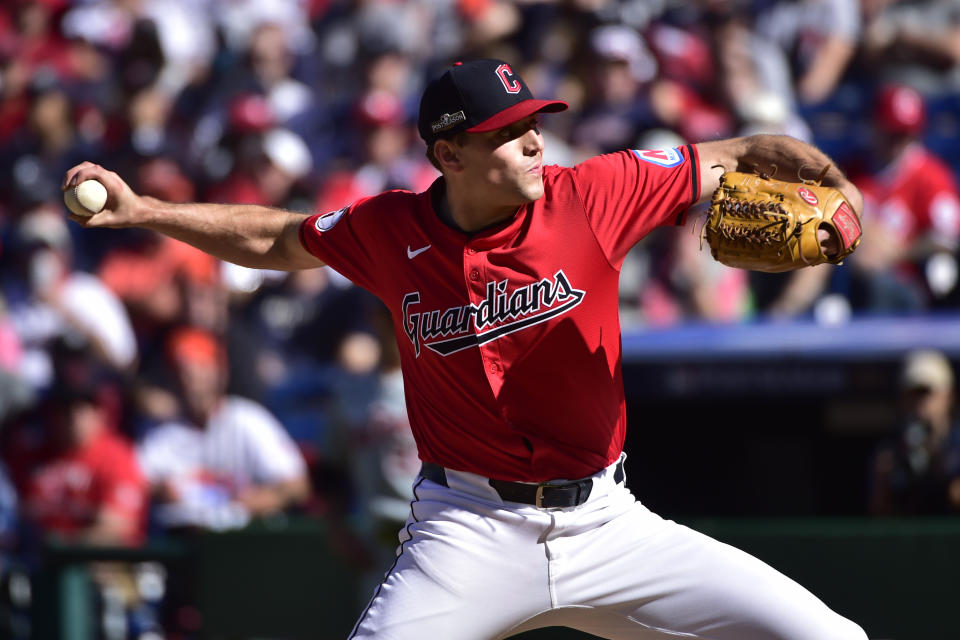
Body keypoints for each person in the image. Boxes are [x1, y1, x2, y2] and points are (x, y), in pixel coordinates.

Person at [62, 59, 866, 639]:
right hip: (469, 527)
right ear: (449, 156)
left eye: (531, 126)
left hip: (613, 526)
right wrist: (146, 213)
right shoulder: (389, 229)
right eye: (507, 135)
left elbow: (739, 154)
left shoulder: (596, 194)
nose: (532, 145)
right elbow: (278, 237)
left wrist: (840, 193)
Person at [136, 326, 310, 531]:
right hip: (183, 538)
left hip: (246, 539)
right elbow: (137, 483)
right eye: (182, 372)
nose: (191, 381)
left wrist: (244, 506)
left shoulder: (247, 420)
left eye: (200, 369)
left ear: (219, 373)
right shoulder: (162, 432)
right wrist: (160, 491)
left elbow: (297, 487)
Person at [869, 349, 960, 516]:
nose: (919, 402)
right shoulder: (892, 448)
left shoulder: (955, 445)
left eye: (926, 393)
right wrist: (884, 482)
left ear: (949, 395)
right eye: (912, 394)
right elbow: (880, 514)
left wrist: (942, 474)